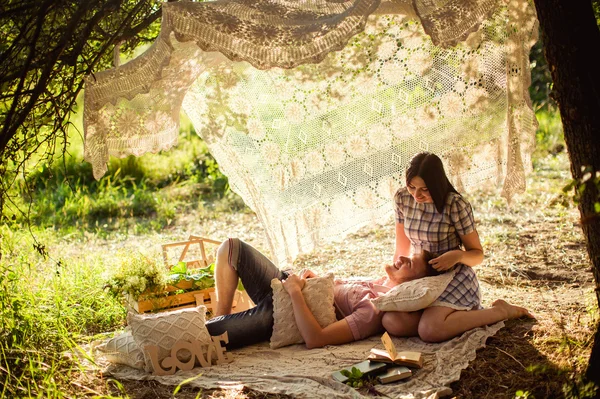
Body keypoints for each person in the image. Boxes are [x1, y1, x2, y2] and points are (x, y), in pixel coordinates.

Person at [384, 152, 532, 342]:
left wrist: (457, 255)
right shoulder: (403, 198)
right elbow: (401, 248)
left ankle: (500, 311)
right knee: (392, 321)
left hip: (452, 276)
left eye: (425, 189)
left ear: (437, 184)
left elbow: (477, 255)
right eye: (412, 186)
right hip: (421, 273)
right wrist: (396, 280)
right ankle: (441, 316)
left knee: (430, 331)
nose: (417, 195)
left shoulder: (455, 204)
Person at [205, 238, 437, 349]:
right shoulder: (376, 281)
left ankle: (217, 323)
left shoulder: (374, 309)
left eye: (410, 264)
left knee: (207, 336)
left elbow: (316, 339)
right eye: (409, 255)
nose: (402, 258)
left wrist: (296, 293)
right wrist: (314, 279)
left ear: (413, 285)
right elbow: (333, 289)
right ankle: (221, 313)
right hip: (285, 283)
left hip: (282, 314)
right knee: (231, 247)